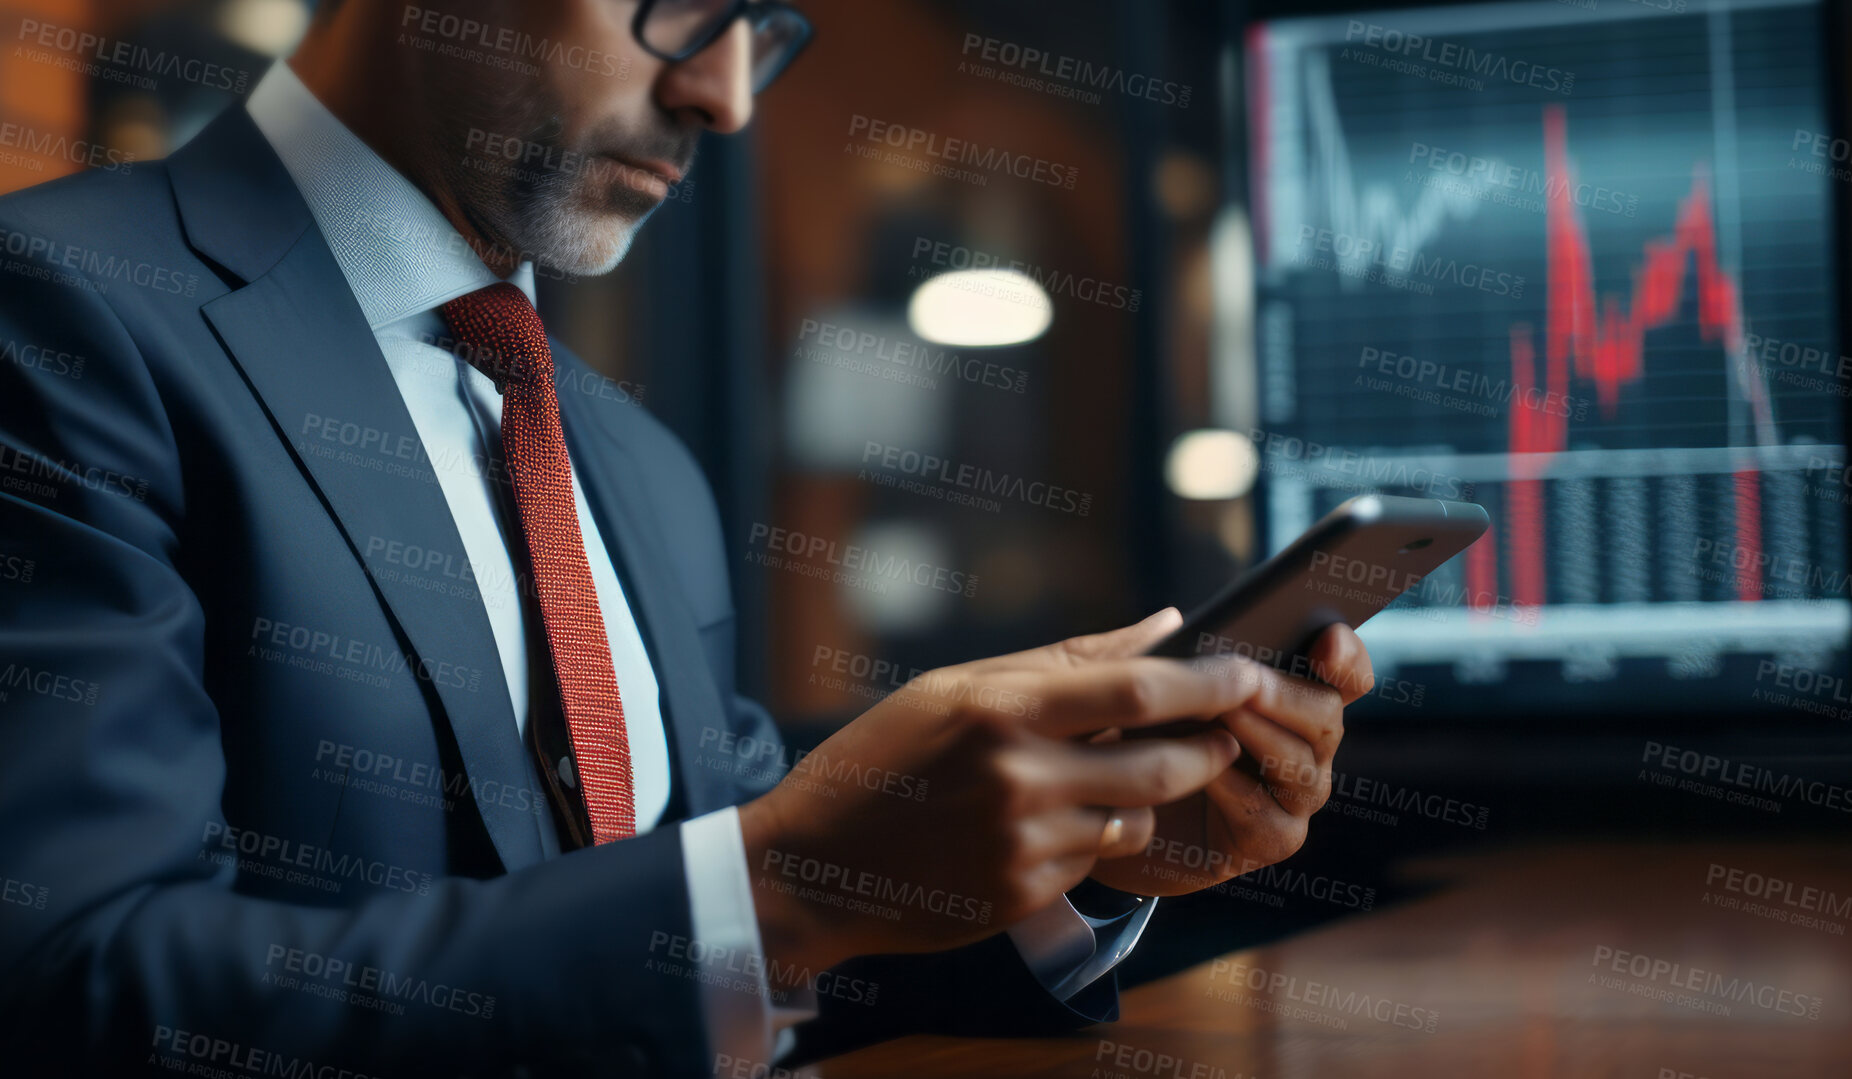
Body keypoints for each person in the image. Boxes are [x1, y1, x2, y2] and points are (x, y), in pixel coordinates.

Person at [0, 1, 1373, 1075]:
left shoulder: (641, 467)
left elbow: (696, 965)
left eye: (761, 29)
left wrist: (1080, 848)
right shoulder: (62, 314)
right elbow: (80, 991)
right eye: (676, 6)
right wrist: (772, 886)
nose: (720, 92)